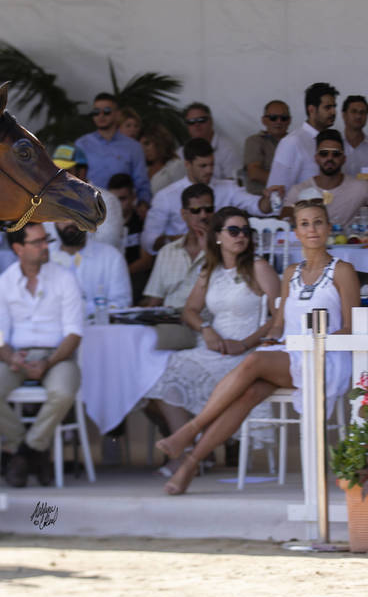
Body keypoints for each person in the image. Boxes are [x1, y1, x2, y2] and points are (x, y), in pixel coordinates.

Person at [155, 199, 358, 495]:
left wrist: (316, 342)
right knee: (248, 393)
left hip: (325, 358)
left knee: (253, 361)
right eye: (304, 224)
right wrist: (272, 338)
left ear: (328, 228)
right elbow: (278, 323)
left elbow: (351, 326)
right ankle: (189, 465)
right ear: (296, 232)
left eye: (318, 222)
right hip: (289, 354)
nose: (312, 229)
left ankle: (189, 431)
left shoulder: (342, 270)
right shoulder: (292, 272)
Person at [143, 207, 280, 472]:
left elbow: (280, 316)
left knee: (185, 371)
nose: (241, 236)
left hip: (247, 352)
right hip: (215, 346)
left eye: (245, 231)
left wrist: (246, 343)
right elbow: (190, 310)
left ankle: (192, 453)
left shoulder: (258, 267)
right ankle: (190, 449)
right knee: (162, 372)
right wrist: (206, 329)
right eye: (233, 231)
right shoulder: (210, 270)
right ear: (218, 236)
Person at [0, 223, 84, 487]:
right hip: (18, 355)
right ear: (18, 248)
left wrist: (48, 362)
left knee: (63, 392)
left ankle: (24, 454)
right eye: (38, 242)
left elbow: (74, 333)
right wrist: (11, 358)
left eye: (46, 240)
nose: (45, 246)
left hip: (57, 355)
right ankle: (34, 451)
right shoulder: (4, 283)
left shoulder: (65, 278)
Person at [141, 138, 279, 255]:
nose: (209, 170)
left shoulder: (228, 188)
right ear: (187, 164)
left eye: (212, 165)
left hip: (222, 256)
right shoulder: (166, 196)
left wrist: (268, 198)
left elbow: (258, 207)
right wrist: (184, 240)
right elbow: (148, 241)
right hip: (181, 256)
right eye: (203, 166)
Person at [141, 183, 215, 350]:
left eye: (208, 209)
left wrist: (209, 249)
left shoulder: (224, 250)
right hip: (172, 322)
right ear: (184, 214)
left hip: (208, 322)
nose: (203, 215)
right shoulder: (167, 252)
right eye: (196, 210)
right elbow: (155, 300)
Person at [74, 93, 152, 206]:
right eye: (96, 112)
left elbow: (142, 182)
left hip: (123, 208)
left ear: (117, 114)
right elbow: (75, 179)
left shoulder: (133, 147)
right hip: (90, 207)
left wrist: (143, 204)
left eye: (106, 111)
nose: (101, 116)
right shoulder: (82, 144)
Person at [280, 129, 368, 227]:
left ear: (344, 159)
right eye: (324, 153)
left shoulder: (361, 188)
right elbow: (284, 221)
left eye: (336, 154)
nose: (330, 158)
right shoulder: (299, 190)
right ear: (316, 158)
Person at [49, 218, 132, 315]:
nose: (71, 222)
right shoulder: (43, 257)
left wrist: (83, 309)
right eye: (65, 217)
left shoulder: (111, 257)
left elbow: (122, 303)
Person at [267, 82, 338, 191]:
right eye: (327, 107)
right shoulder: (292, 142)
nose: (333, 112)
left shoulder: (334, 140)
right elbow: (276, 190)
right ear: (311, 110)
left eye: (334, 107)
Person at [108, 173, 153, 305]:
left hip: (135, 277)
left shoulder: (142, 221)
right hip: (108, 276)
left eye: (122, 199)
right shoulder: (101, 223)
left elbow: (147, 260)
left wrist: (121, 272)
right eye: (114, 199)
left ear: (133, 197)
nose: (117, 204)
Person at [176, 102, 242, 183]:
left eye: (201, 120)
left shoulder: (228, 149)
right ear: (186, 126)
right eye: (191, 122)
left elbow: (235, 182)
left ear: (211, 121)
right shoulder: (180, 153)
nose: (197, 125)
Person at [243, 100, 291, 195]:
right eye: (273, 118)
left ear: (289, 121)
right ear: (264, 120)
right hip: (260, 197)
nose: (279, 121)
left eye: (284, 118)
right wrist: (288, 184)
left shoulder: (296, 141)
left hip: (291, 196)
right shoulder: (255, 141)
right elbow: (254, 173)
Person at [140, 122, 185, 195]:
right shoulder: (143, 169)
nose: (144, 149)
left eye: (147, 144)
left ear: (159, 142)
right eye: (140, 146)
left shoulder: (176, 165)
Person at [341, 95, 368, 179]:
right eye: (354, 111)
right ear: (344, 115)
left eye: (362, 112)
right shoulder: (335, 145)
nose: (358, 116)